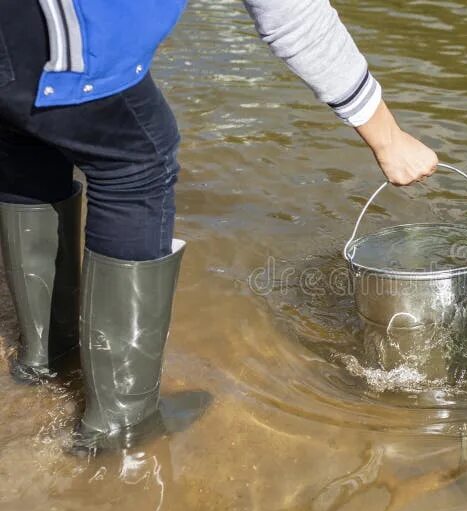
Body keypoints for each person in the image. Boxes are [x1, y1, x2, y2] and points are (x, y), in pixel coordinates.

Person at [0, 0, 438, 453]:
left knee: (26, 133)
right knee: (139, 160)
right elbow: (294, 16)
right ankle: (122, 424)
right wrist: (388, 137)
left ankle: (47, 359)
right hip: (55, 35)